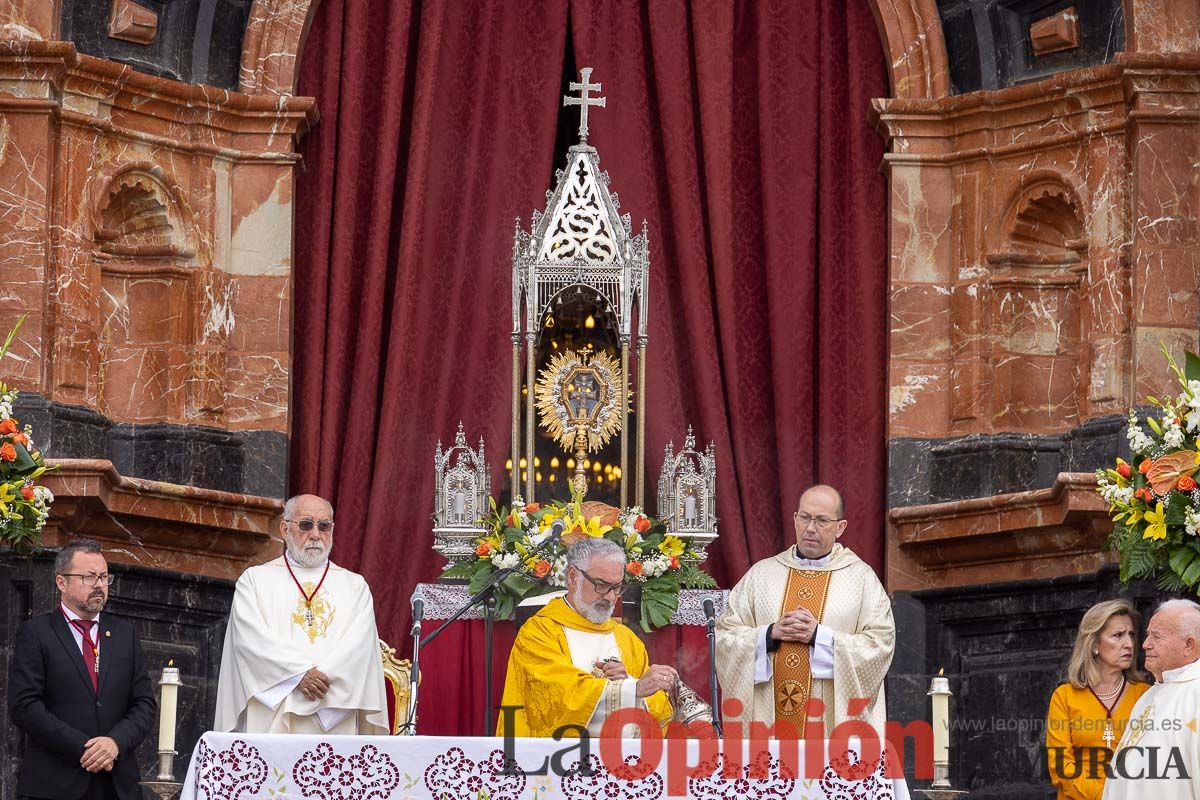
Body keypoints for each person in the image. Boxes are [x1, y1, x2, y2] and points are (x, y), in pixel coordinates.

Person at [715, 484, 895, 737]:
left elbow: (880, 644)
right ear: (795, 519)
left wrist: (819, 637)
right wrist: (768, 634)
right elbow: (724, 636)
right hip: (767, 727)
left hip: (830, 731)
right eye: (805, 518)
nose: (810, 528)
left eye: (822, 520)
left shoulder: (861, 579)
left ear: (840, 527)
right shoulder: (761, 575)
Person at [215, 494, 388, 734]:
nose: (316, 534)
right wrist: (298, 675)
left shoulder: (355, 586)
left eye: (324, 526)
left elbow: (358, 648)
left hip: (335, 716)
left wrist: (319, 681)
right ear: (285, 529)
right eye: (306, 524)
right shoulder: (254, 581)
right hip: (272, 715)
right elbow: (251, 641)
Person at [7, 539, 156, 800]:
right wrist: (84, 748)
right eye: (89, 577)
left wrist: (114, 743)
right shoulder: (36, 633)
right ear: (61, 582)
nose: (99, 585)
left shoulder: (125, 634)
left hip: (117, 784)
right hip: (56, 784)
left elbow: (144, 704)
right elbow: (25, 705)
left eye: (104, 576)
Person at [496, 537, 674, 737]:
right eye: (601, 585)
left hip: (621, 762)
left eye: (617, 587)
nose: (609, 597)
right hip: (556, 760)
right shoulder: (539, 632)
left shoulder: (626, 639)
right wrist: (629, 690)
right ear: (573, 576)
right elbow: (556, 698)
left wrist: (632, 683)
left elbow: (658, 710)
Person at [1045, 599, 1150, 800]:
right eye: (1118, 635)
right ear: (1093, 644)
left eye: (1131, 635)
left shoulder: (1145, 695)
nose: (1129, 643)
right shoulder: (1065, 696)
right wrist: (1105, 796)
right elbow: (1061, 768)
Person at [1103, 599, 1200, 799]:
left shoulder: (1196, 694)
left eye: (1156, 636)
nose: (1145, 644)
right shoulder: (1149, 696)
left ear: (1189, 645)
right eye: (1148, 635)